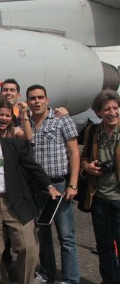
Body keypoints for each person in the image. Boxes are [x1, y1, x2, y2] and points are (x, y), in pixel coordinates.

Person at [0, 113, 60, 284]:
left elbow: (33, 168)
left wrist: (49, 186)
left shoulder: (13, 146)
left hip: (16, 201)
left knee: (29, 248)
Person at [26, 84, 80, 284]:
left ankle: (71, 279)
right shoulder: (27, 122)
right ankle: (47, 273)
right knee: (44, 234)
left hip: (60, 184)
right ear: (28, 101)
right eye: (32, 98)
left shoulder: (61, 119)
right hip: (38, 187)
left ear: (47, 100)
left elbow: (74, 151)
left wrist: (73, 183)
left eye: (40, 97)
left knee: (66, 236)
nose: (37, 101)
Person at [80, 89, 120, 284]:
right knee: (104, 245)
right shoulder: (92, 132)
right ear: (98, 113)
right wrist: (87, 167)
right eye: (107, 109)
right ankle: (109, 280)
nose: (112, 112)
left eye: (115, 108)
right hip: (99, 197)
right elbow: (83, 157)